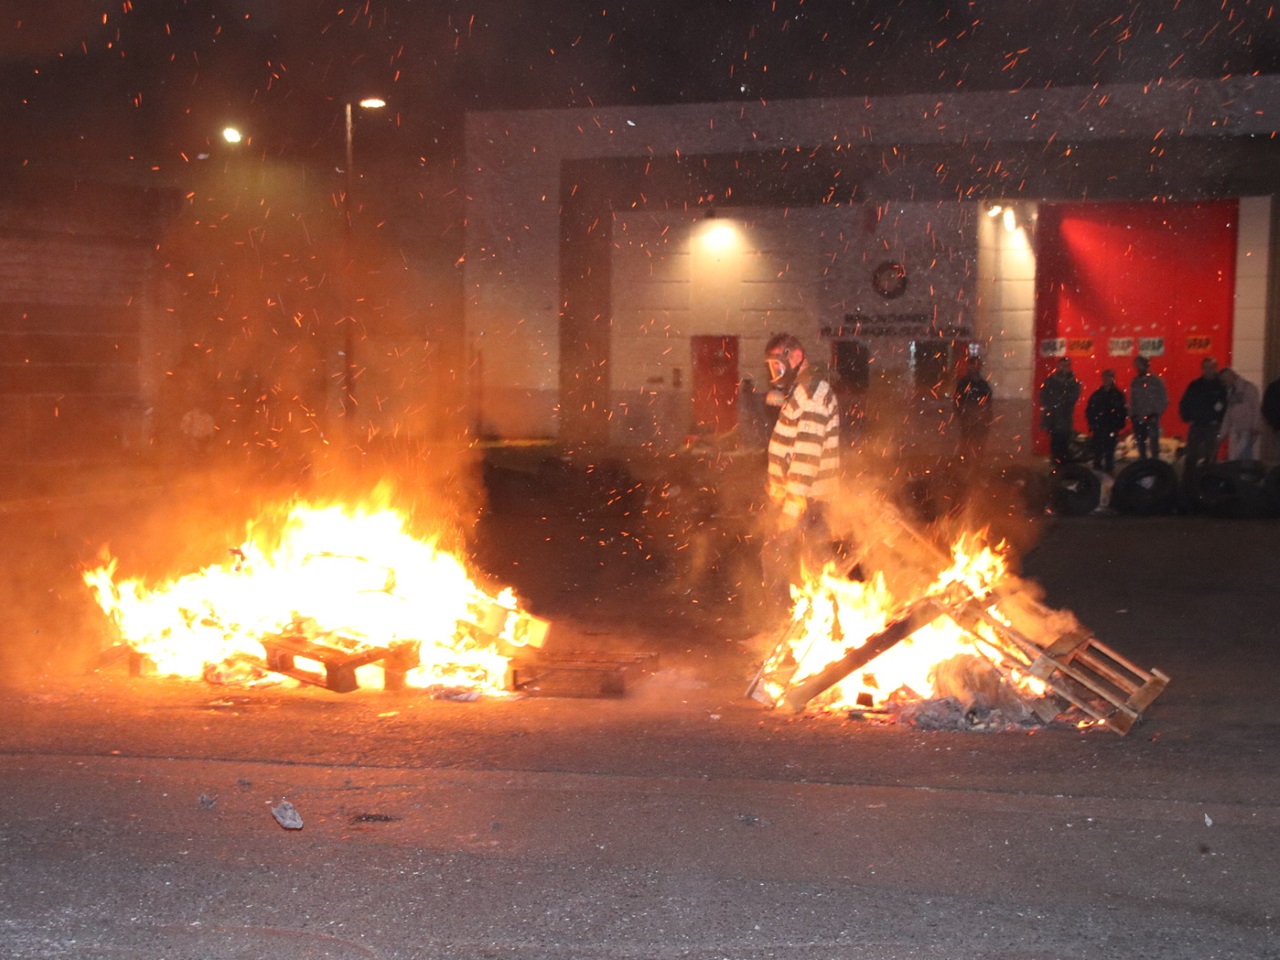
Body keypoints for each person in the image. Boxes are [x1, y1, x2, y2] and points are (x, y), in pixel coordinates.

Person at [761, 333, 841, 611]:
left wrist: (792, 507)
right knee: (811, 565)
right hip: (804, 501)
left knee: (791, 561)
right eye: (772, 367)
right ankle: (819, 627)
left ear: (795, 357)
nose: (775, 373)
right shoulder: (802, 391)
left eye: (779, 366)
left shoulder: (811, 395)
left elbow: (806, 455)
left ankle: (783, 625)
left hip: (809, 502)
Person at [1178, 356, 1228, 467]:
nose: (1208, 370)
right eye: (1206, 367)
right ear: (1202, 369)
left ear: (1215, 368)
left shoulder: (1221, 386)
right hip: (1197, 424)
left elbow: (1226, 405)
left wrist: (1219, 420)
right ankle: (1191, 480)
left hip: (1212, 425)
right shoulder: (1195, 385)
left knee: (1210, 456)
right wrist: (1187, 418)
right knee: (1192, 454)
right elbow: (1184, 402)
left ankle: (1208, 479)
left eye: (1211, 367)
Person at [1039, 356, 1081, 466]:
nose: (1064, 368)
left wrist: (1059, 402)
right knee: (1055, 443)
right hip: (1053, 418)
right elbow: (1043, 397)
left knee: (1063, 442)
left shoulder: (1072, 381)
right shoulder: (1050, 380)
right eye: (1062, 366)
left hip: (1064, 418)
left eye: (1066, 366)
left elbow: (1073, 397)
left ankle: (1062, 465)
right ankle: (1056, 464)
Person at [1085, 369, 1127, 473]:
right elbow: (1090, 409)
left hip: (1111, 426)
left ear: (1113, 379)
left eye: (1109, 377)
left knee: (1109, 450)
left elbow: (1122, 411)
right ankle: (1098, 468)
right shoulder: (1097, 395)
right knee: (1098, 450)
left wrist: (1118, 424)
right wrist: (1092, 423)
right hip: (1099, 425)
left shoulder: (1117, 395)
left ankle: (1108, 469)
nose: (1106, 380)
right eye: (1105, 377)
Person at [953, 356, 994, 462]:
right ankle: (964, 461)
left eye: (976, 366)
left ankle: (977, 463)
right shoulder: (963, 383)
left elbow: (988, 402)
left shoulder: (983, 385)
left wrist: (986, 417)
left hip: (980, 419)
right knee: (966, 441)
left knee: (979, 443)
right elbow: (957, 400)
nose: (974, 368)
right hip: (967, 418)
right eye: (972, 365)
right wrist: (962, 415)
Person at [1128, 355, 1168, 460]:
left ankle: (1154, 464)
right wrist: (1132, 414)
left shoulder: (1156, 381)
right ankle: (1143, 462)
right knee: (1141, 444)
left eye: (1140, 365)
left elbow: (1163, 399)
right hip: (1139, 418)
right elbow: (1132, 400)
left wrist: (1156, 413)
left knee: (1153, 444)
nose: (1138, 368)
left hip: (1151, 418)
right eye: (1136, 365)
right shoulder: (1135, 381)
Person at [1217, 368, 1262, 461]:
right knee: (1242, 456)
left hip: (1248, 428)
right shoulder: (1230, 391)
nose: (1224, 383)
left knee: (1240, 455)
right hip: (1237, 429)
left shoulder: (1248, 387)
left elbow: (1256, 407)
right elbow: (1229, 413)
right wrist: (1222, 434)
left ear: (1230, 376)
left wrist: (1255, 426)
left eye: (1225, 380)